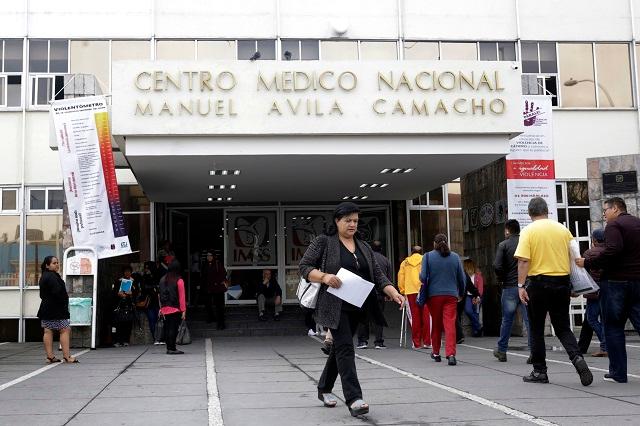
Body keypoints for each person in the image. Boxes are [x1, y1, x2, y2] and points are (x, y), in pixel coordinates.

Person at [299, 202, 404, 417]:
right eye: (348, 220)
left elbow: (377, 273)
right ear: (337, 221)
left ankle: (323, 388)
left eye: (355, 220)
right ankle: (355, 398)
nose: (352, 224)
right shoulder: (324, 242)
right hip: (333, 306)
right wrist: (325, 276)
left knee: (339, 348)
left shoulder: (363, 245)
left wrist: (393, 292)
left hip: (358, 305)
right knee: (346, 347)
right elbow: (305, 267)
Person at [516, 197, 593, 386]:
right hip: (562, 283)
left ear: (529, 213)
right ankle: (577, 358)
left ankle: (540, 371)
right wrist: (573, 284)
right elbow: (574, 257)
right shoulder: (563, 230)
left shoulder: (528, 231)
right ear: (547, 211)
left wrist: (520, 286)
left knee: (536, 328)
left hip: (539, 284)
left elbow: (524, 261)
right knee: (563, 327)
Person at [577, 197, 640, 383]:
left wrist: (587, 262)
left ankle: (618, 373)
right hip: (638, 281)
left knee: (613, 327)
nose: (604, 214)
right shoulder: (637, 223)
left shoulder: (614, 225)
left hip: (616, 283)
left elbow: (613, 250)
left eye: (605, 210)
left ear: (615, 208)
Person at [421, 233, 466, 366]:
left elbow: (423, 277)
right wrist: (461, 293)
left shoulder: (428, 256)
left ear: (434, 244)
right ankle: (451, 354)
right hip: (451, 295)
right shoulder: (455, 257)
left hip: (433, 295)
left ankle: (435, 352)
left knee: (436, 324)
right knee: (450, 324)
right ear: (447, 243)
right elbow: (462, 278)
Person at [493, 219, 531, 363]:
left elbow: (497, 265)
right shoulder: (526, 243)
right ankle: (533, 352)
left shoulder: (503, 245)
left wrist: (502, 278)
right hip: (526, 286)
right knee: (529, 320)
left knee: (507, 320)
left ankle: (502, 351)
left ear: (508, 230)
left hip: (509, 287)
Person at [37, 256, 78, 364]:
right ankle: (67, 357)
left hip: (46, 308)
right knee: (65, 329)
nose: (57, 264)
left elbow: (42, 295)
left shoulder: (44, 276)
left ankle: (50, 357)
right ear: (47, 265)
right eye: (54, 263)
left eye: (57, 263)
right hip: (57, 309)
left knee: (48, 330)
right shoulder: (52, 276)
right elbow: (58, 292)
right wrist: (64, 301)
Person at [357, 240, 391, 349]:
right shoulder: (386, 260)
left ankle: (362, 341)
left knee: (363, 317)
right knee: (378, 317)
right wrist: (388, 293)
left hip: (364, 291)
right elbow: (387, 278)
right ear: (381, 249)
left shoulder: (364, 258)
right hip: (379, 293)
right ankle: (379, 342)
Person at [580, 228, 607, 357]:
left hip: (593, 290)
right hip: (607, 289)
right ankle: (605, 346)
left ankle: (606, 342)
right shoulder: (609, 252)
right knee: (604, 318)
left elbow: (583, 272)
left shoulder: (589, 253)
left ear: (594, 240)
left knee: (591, 318)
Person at [398, 245, 431, 349]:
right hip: (424, 290)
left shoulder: (405, 263)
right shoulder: (425, 261)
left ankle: (416, 343)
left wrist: (402, 290)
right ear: (421, 252)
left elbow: (401, 277)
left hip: (410, 291)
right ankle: (427, 342)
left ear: (411, 252)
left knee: (415, 317)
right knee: (426, 316)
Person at [159, 259, 187, 355]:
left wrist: (161, 308)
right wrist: (183, 310)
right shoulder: (179, 280)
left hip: (164, 308)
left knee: (167, 328)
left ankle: (168, 347)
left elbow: (160, 295)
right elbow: (182, 297)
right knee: (173, 328)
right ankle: (172, 348)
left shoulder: (162, 279)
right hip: (175, 308)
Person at [112, 266, 138, 347]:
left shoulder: (133, 281)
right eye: (126, 271)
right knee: (119, 324)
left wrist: (132, 293)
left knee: (128, 324)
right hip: (120, 305)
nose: (127, 273)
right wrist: (118, 293)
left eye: (129, 271)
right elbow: (113, 293)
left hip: (129, 305)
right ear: (123, 272)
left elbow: (137, 292)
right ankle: (118, 341)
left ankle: (126, 340)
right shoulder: (118, 281)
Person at [202, 251, 228, 329]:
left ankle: (221, 324)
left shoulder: (217, 264)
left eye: (210, 255)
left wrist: (217, 282)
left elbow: (223, 273)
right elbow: (203, 276)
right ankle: (211, 317)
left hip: (217, 289)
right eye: (207, 256)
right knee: (208, 304)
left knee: (219, 307)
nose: (208, 257)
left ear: (213, 256)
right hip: (208, 288)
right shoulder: (205, 265)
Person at [456, 262, 481, 343]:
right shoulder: (463, 273)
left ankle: (458, 336)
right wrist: (476, 294)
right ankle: (458, 336)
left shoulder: (450, 272)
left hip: (453, 296)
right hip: (461, 296)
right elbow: (470, 285)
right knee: (457, 316)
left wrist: (476, 295)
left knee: (455, 316)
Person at [140, 261, 162, 345]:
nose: (146, 270)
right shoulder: (144, 277)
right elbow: (144, 288)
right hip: (149, 302)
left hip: (157, 301)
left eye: (148, 268)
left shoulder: (157, 275)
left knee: (159, 320)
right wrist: (154, 288)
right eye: (145, 268)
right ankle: (156, 338)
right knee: (152, 320)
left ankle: (160, 337)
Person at [462, 259, 483, 337]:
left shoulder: (478, 276)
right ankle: (478, 327)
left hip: (477, 296)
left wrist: (477, 297)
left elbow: (480, 289)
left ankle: (476, 332)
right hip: (467, 296)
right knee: (469, 311)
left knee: (476, 312)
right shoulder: (464, 276)